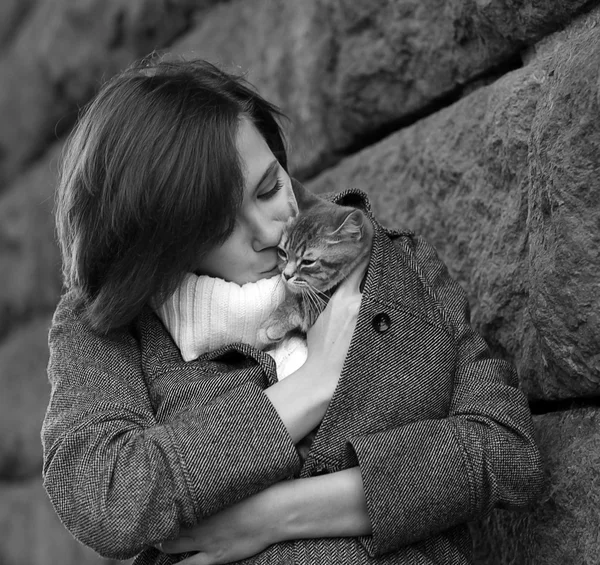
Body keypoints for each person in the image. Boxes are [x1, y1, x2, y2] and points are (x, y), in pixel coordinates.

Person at [42, 54, 544, 565]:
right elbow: (104, 497)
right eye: (219, 228)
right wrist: (314, 384)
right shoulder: (113, 326)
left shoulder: (389, 262)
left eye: (269, 187)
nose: (271, 231)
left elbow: (506, 449)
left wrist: (274, 516)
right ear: (165, 245)